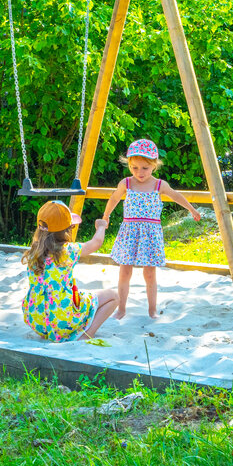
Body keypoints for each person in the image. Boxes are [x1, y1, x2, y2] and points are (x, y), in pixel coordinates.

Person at [99, 138, 201, 318]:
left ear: (154, 165)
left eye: (145, 168)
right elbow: (114, 198)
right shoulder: (126, 183)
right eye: (134, 167)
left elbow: (176, 196)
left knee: (150, 273)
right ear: (129, 165)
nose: (139, 172)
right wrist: (106, 216)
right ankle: (121, 309)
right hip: (130, 232)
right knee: (125, 271)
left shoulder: (159, 185)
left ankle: (152, 310)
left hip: (150, 234)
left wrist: (191, 209)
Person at [21, 200, 118, 341]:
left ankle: (49, 331)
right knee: (113, 296)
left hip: (35, 317)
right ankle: (87, 334)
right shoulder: (68, 251)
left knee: (70, 294)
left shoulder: (32, 253)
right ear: (68, 229)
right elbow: (96, 243)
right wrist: (101, 227)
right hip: (62, 317)